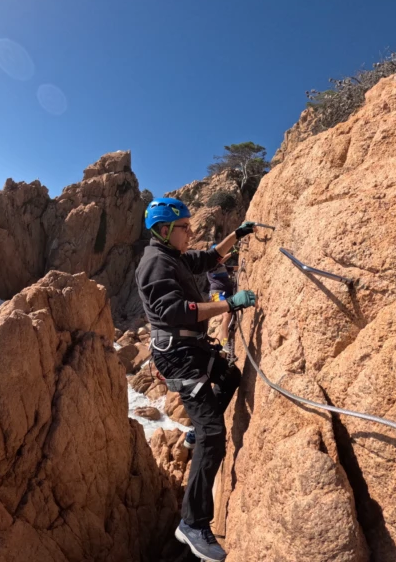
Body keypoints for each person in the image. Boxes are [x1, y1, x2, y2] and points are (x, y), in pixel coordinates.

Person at [135, 197, 258, 562]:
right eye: (185, 227)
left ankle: (194, 433)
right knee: (215, 436)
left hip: (192, 349)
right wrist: (229, 304)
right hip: (179, 355)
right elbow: (177, 312)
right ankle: (193, 522)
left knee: (231, 375)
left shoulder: (171, 256)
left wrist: (236, 236)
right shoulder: (156, 263)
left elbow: (207, 259)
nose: (191, 232)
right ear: (164, 230)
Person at [206, 243, 239, 350]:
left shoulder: (222, 266)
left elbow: (234, 268)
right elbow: (219, 260)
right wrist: (231, 253)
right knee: (226, 314)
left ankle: (221, 343)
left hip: (225, 293)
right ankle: (224, 343)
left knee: (228, 315)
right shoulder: (211, 266)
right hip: (217, 294)